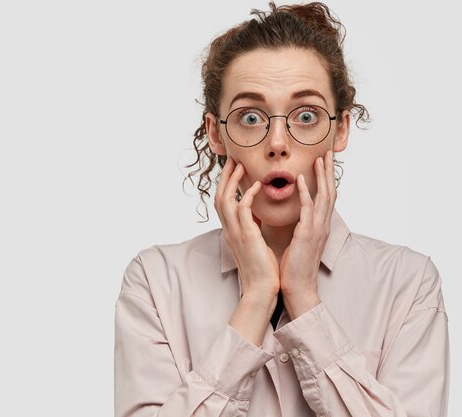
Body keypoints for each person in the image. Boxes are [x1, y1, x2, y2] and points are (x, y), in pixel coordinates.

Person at [113, 2, 450, 416]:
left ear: (340, 129)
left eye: (306, 115)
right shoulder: (155, 281)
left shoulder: (408, 284)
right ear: (216, 135)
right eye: (251, 116)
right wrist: (255, 299)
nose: (277, 143)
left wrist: (305, 301)